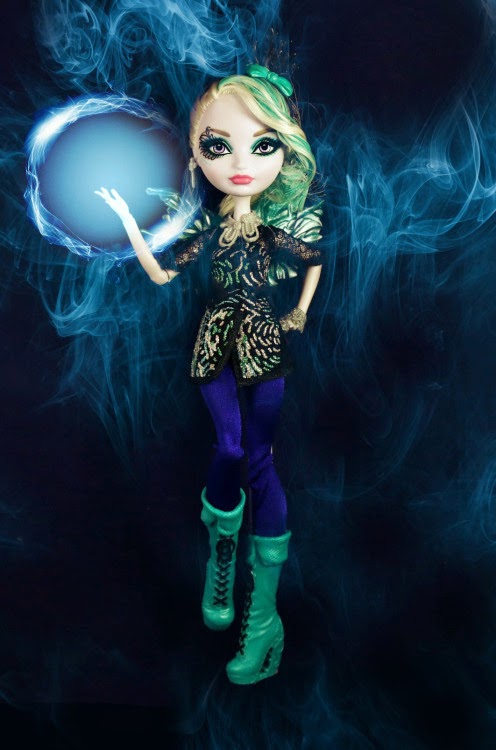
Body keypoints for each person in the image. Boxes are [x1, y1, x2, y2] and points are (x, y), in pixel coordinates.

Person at [96, 64, 323, 685]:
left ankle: (263, 619)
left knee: (261, 460)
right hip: (216, 343)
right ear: (199, 155)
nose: (241, 162)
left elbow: (313, 259)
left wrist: (300, 311)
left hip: (265, 344)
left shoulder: (274, 231)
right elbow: (162, 274)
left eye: (263, 145)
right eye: (219, 146)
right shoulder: (209, 232)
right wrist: (128, 221)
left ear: (285, 150)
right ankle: (221, 555)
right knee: (229, 448)